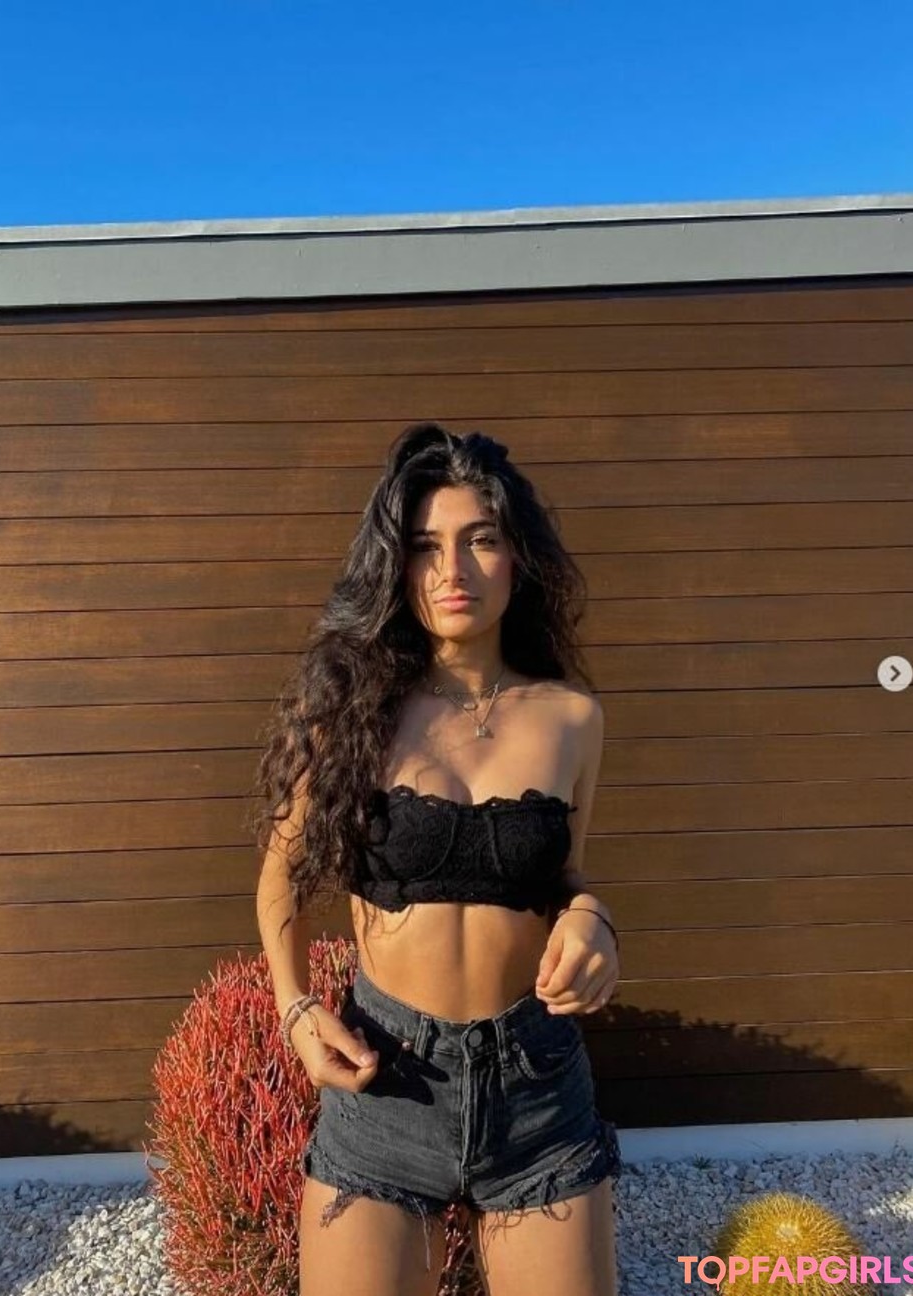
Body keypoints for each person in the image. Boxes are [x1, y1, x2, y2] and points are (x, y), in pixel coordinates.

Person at [253, 421, 623, 1296]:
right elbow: (280, 879)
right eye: (425, 546)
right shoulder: (349, 710)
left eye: (479, 539)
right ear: (396, 564)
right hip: (387, 1081)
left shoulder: (572, 718)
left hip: (536, 1087)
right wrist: (296, 1010)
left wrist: (594, 920)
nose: (451, 570)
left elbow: (563, 877)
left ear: (518, 556)